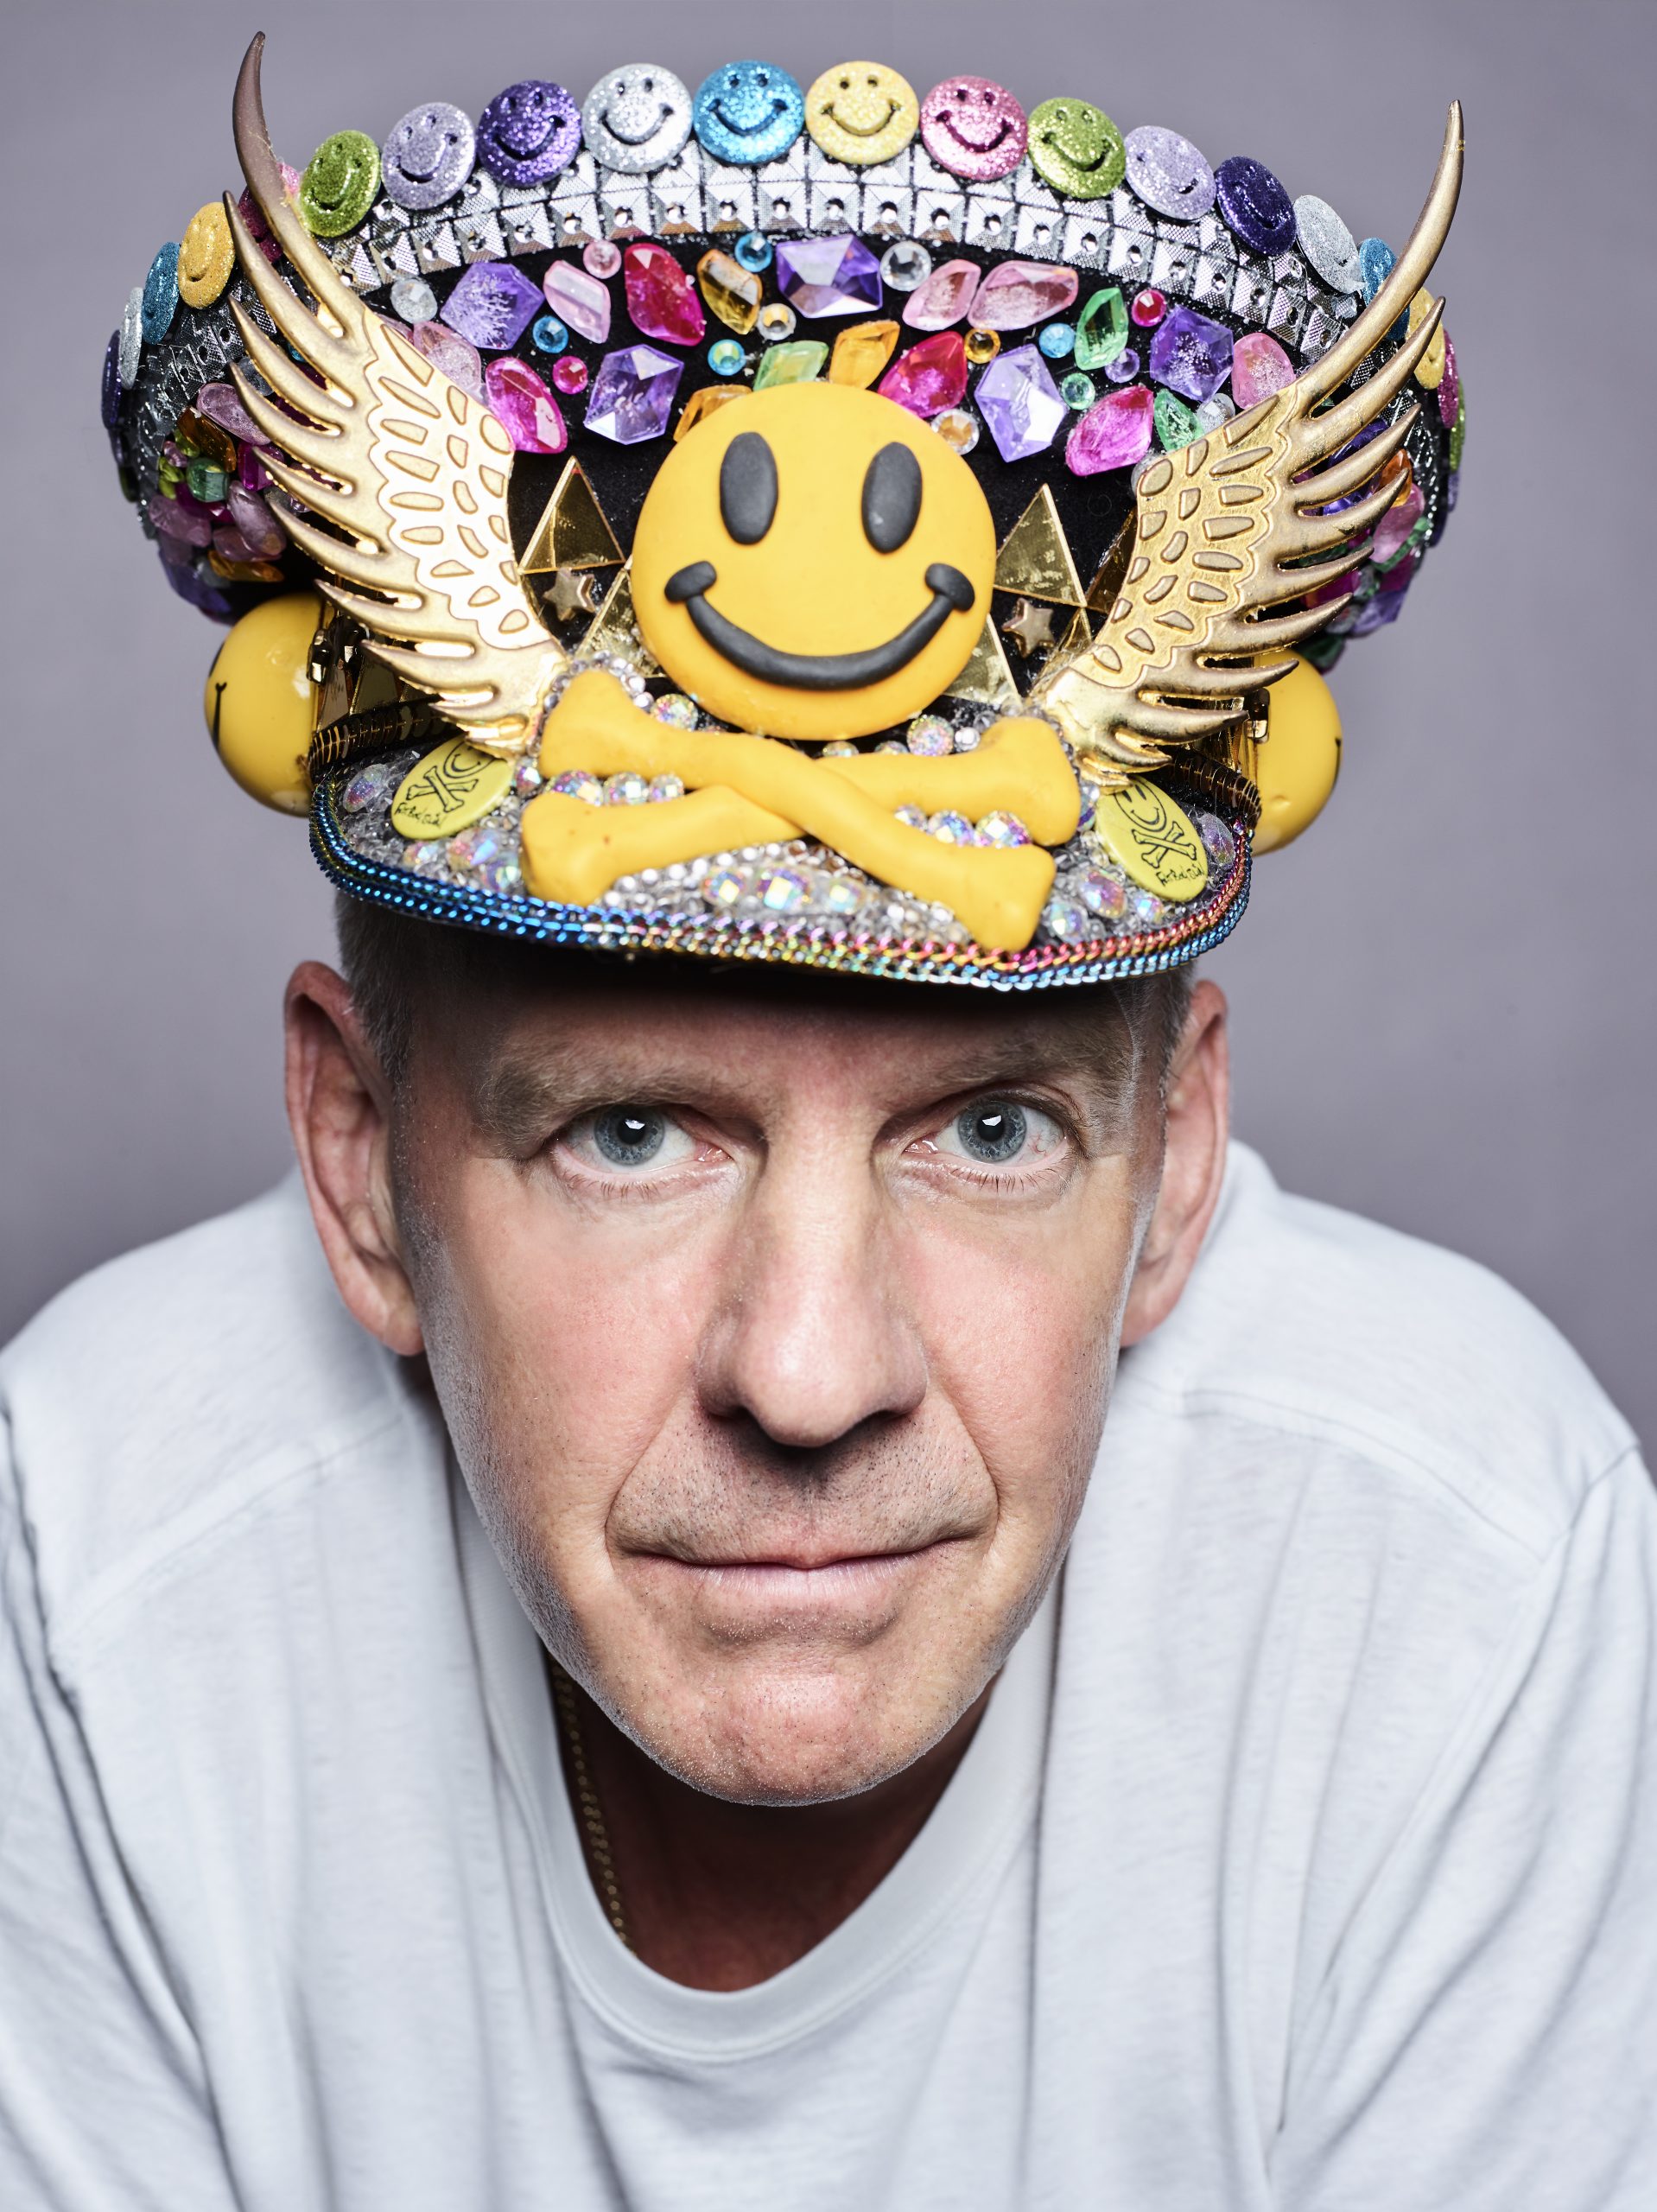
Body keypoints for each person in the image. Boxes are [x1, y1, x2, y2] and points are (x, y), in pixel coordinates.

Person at [3, 35, 1653, 2212]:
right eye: (627, 1134)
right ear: (357, 1162)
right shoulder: (97, 1555)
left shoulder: (1463, 1561)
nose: (806, 1372)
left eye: (990, 1133)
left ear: (1171, 1168)